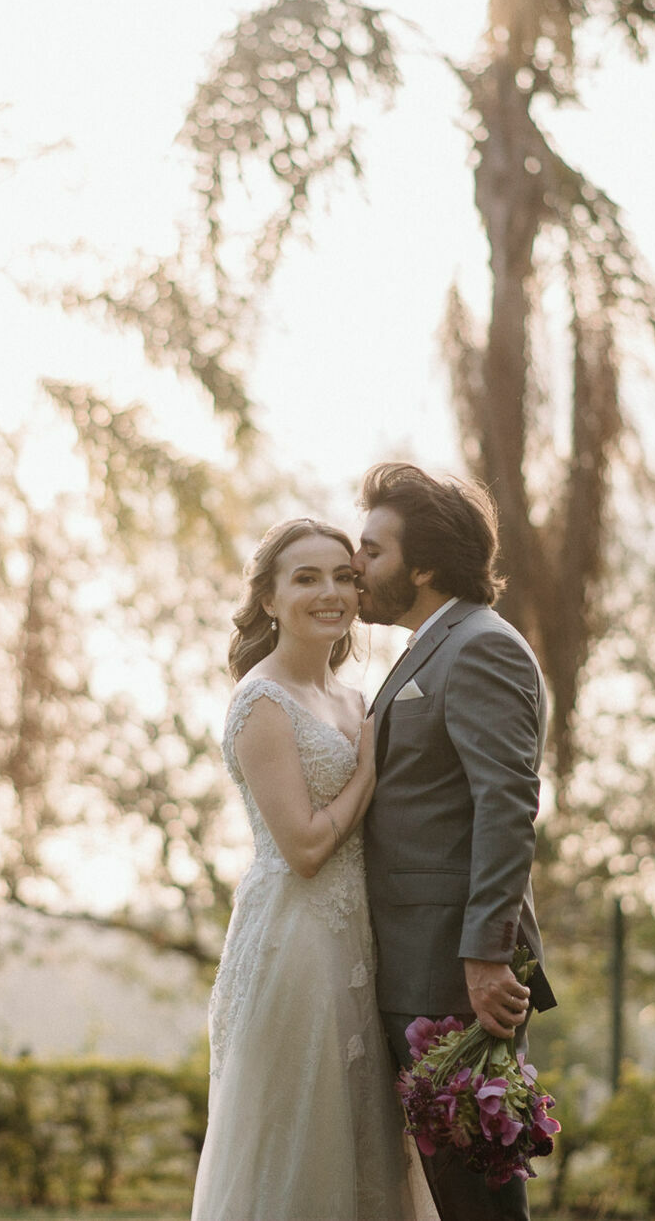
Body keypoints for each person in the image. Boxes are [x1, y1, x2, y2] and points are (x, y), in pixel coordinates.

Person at [191, 518, 434, 1221]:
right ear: (269, 599)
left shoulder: (355, 700)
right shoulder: (261, 702)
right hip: (294, 945)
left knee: (367, 1142)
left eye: (343, 577)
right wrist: (367, 767)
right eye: (306, 578)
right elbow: (301, 848)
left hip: (360, 938)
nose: (330, 593)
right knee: (298, 1141)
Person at [354, 463, 556, 1221]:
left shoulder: (481, 647)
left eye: (373, 550)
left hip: (453, 972)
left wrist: (485, 955)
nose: (356, 565)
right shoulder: (428, 647)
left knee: (478, 1204)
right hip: (412, 957)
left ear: (426, 564)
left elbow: (507, 804)